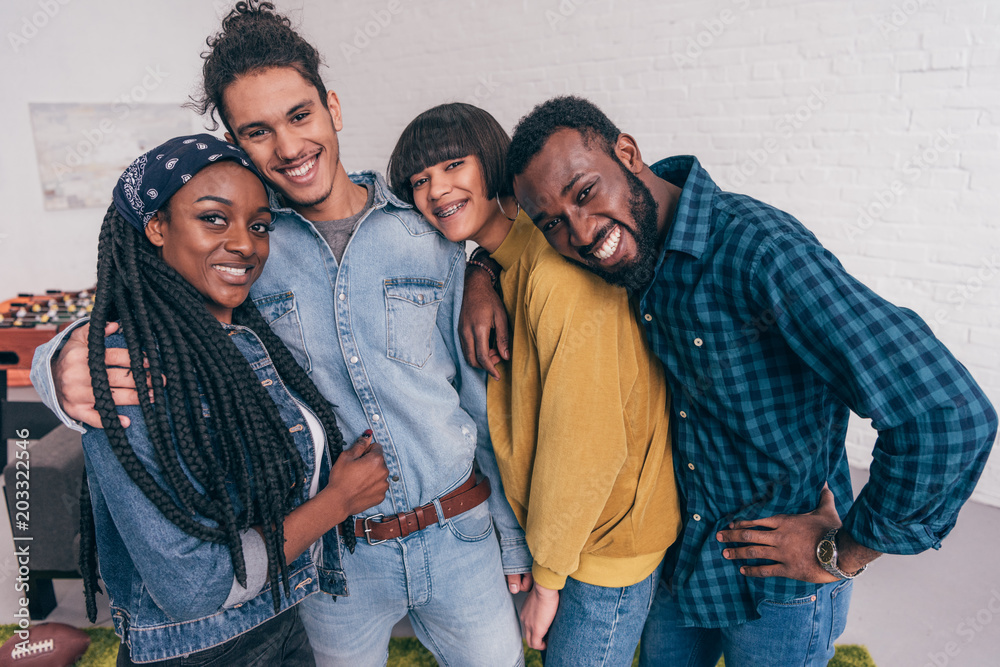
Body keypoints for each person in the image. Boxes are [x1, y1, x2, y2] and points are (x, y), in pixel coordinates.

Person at [32, 3, 530, 665]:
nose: (290, 147)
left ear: (333, 108)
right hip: (332, 555)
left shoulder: (425, 226)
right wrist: (60, 357)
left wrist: (482, 270)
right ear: (237, 145)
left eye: (300, 116)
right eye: (258, 131)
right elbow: (143, 293)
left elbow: (478, 397)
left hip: (459, 534)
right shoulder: (243, 254)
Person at [462, 95, 998, 666]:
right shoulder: (628, 248)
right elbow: (518, 242)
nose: (583, 232)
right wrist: (480, 272)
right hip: (685, 561)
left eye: (586, 192)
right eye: (554, 222)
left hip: (781, 585)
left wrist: (842, 552)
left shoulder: (761, 254)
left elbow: (948, 414)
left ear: (628, 152)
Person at [52, 133, 390, 665]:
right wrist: (338, 502)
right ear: (157, 226)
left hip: (280, 618)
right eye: (214, 218)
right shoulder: (126, 370)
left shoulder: (246, 339)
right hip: (199, 651)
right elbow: (195, 586)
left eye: (258, 226)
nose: (245, 243)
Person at [387, 103, 681, 664]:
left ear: (492, 164)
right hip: (581, 537)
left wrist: (546, 583)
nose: (436, 190)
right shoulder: (519, 253)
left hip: (604, 545)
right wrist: (480, 269)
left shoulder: (556, 275)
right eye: (419, 180)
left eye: (453, 166)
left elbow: (584, 445)